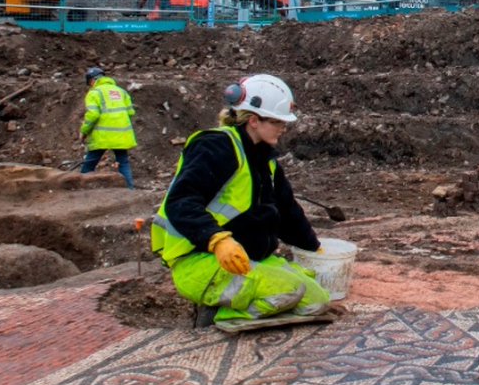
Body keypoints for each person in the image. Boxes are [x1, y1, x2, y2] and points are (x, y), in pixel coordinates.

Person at [150, 73, 331, 333]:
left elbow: (287, 211)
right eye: (278, 121)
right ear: (254, 120)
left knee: (317, 300)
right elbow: (181, 201)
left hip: (248, 259)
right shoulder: (216, 147)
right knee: (290, 289)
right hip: (203, 260)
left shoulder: (265, 160)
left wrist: (314, 247)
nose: (283, 128)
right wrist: (217, 239)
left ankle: (249, 303)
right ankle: (217, 315)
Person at [79, 66, 136, 189]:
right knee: (123, 163)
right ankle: (130, 191)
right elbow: (131, 112)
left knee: (90, 163)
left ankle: (80, 188)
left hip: (102, 136)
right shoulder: (121, 91)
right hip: (121, 135)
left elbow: (93, 115)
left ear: (92, 80)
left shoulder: (94, 93)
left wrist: (84, 132)